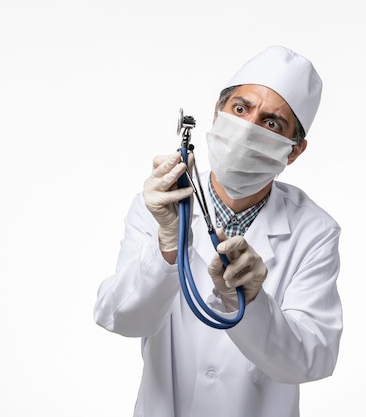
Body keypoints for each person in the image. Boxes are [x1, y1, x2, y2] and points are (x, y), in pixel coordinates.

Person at [93, 45, 342, 417]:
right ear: (216, 113)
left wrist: (254, 301)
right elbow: (122, 319)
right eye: (240, 109)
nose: (247, 129)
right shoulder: (160, 204)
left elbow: (312, 359)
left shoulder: (314, 231)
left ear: (293, 151)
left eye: (272, 123)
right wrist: (167, 247)